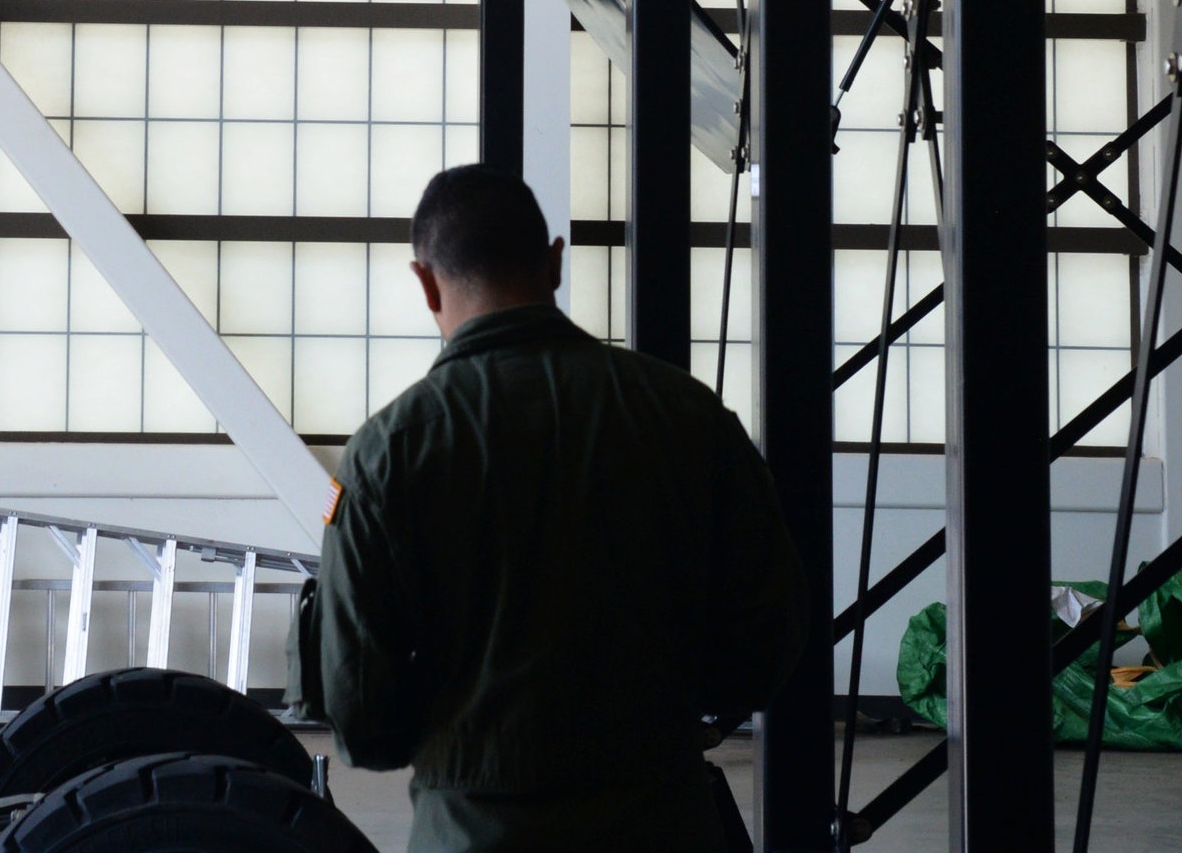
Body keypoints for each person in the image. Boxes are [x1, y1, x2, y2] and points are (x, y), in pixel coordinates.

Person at [293, 163, 803, 852]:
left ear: (422, 281)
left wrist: (461, 740)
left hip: (476, 827)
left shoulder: (391, 449)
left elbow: (359, 710)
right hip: (662, 817)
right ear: (554, 261)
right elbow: (764, 640)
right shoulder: (686, 415)